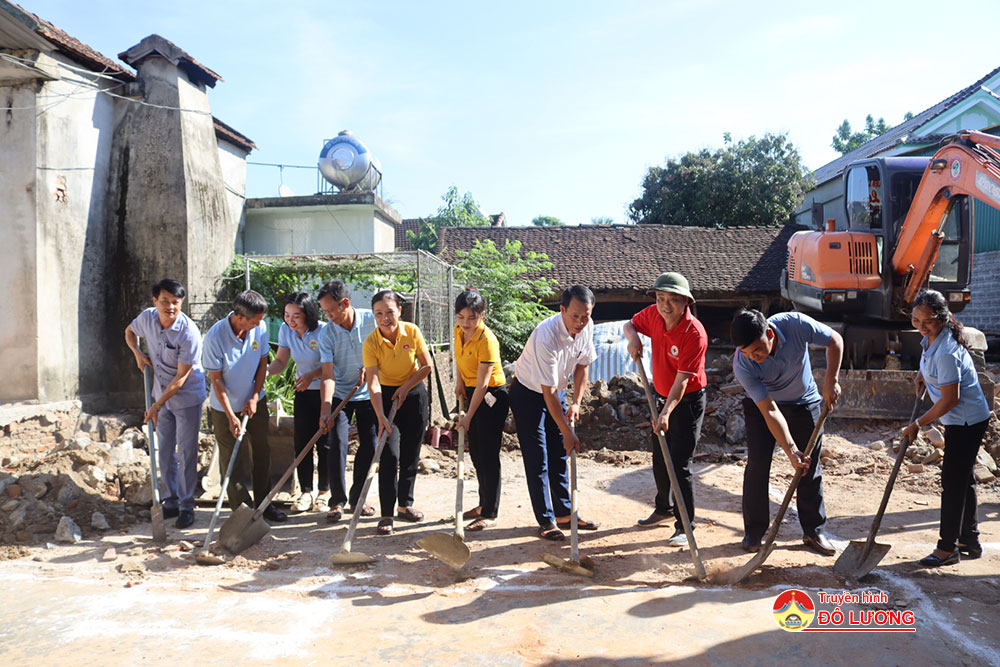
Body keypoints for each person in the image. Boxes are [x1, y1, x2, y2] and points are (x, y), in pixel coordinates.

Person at [730, 308, 842, 556]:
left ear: (770, 334)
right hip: (764, 407)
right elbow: (769, 410)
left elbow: (835, 340)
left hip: (804, 402)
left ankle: (814, 531)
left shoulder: (796, 325)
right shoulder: (742, 363)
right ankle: (754, 532)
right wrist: (791, 449)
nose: (754, 357)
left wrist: (831, 380)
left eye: (757, 350)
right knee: (757, 465)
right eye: (746, 353)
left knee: (809, 467)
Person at [900, 290, 992, 566]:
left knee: (953, 483)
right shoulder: (932, 339)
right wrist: (922, 373)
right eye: (916, 320)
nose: (921, 326)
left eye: (927, 321)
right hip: (964, 419)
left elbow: (950, 399)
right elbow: (930, 358)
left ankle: (947, 548)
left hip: (966, 421)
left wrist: (918, 424)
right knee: (963, 479)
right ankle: (969, 540)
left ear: (941, 319)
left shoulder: (947, 352)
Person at [510, 285, 599, 541]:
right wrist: (567, 431)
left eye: (585, 316)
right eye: (575, 316)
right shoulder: (545, 336)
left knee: (559, 452)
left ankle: (564, 513)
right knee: (538, 456)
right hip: (528, 394)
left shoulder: (586, 327)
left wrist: (577, 402)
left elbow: (582, 366)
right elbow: (546, 393)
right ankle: (546, 520)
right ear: (562, 310)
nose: (580, 322)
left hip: (556, 391)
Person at [624, 272, 707, 547]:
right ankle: (663, 508)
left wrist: (666, 413)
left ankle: (685, 526)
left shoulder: (694, 333)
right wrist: (633, 339)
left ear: (686, 302)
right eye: (660, 298)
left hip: (687, 402)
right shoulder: (653, 315)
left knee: (679, 464)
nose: (665, 305)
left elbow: (682, 381)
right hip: (661, 398)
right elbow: (629, 324)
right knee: (660, 458)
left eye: (672, 299)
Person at [124, 279, 206, 529]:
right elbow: (129, 332)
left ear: (181, 303)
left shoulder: (188, 332)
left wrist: (156, 406)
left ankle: (187, 506)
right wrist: (138, 354)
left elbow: (180, 378)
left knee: (187, 452)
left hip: (186, 397)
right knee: (165, 449)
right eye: (165, 301)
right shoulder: (147, 318)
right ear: (155, 301)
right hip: (161, 393)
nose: (170, 307)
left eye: (175, 302)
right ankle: (170, 501)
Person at [202, 290, 287, 523]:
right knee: (230, 459)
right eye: (255, 321)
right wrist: (231, 416)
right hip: (224, 408)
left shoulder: (259, 328)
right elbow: (216, 380)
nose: (259, 325)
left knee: (261, 451)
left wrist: (255, 396)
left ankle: (264, 505)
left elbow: (262, 365)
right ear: (240, 317)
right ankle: (242, 510)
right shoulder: (215, 337)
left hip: (254, 401)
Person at [362, 290, 432, 536]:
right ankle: (386, 514)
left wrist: (406, 387)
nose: (385, 318)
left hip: (413, 395)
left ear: (399, 311)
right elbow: (373, 383)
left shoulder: (411, 331)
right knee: (389, 454)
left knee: (411, 453)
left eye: (390, 312)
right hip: (386, 399)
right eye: (379, 314)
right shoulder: (371, 343)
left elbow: (427, 366)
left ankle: (405, 505)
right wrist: (381, 416)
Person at [317, 279, 379, 523]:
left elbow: (384, 352)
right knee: (338, 442)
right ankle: (337, 501)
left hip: (369, 393)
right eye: (325, 312)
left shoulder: (372, 320)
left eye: (331, 310)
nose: (329, 316)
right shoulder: (327, 333)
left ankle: (358, 498)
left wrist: (371, 369)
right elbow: (327, 375)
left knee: (370, 444)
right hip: (341, 393)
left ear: (345, 303)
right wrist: (326, 410)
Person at [453, 289, 509, 531]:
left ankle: (490, 512)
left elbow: (484, 384)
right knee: (476, 453)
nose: (466, 323)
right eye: (461, 317)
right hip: (471, 390)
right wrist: (459, 382)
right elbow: (459, 358)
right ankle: (482, 503)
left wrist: (468, 416)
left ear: (482, 315)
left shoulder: (487, 341)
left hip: (490, 397)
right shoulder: (458, 330)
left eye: (472, 318)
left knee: (488, 455)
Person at [267, 292, 327, 513]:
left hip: (325, 391)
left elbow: (332, 365)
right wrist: (266, 373)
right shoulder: (286, 331)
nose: (290, 321)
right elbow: (281, 361)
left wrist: (312, 375)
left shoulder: (324, 331)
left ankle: (324, 492)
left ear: (308, 314)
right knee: (302, 442)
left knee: (325, 442)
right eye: (286, 315)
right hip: (302, 391)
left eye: (296, 316)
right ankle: (306, 492)